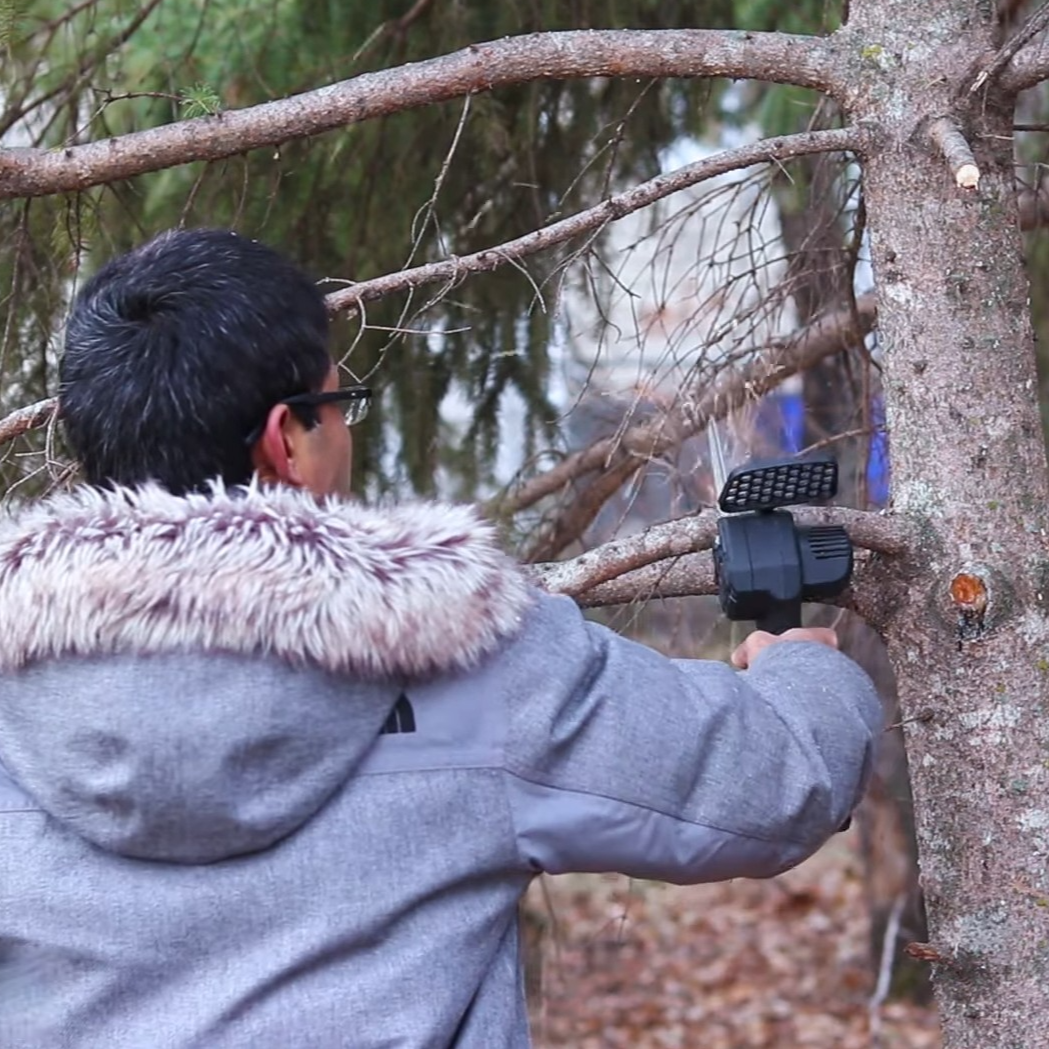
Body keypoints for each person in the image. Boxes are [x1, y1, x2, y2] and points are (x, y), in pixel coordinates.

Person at [0, 228, 881, 1049]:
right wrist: (803, 670)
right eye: (337, 402)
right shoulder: (459, 653)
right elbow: (771, 783)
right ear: (287, 441)